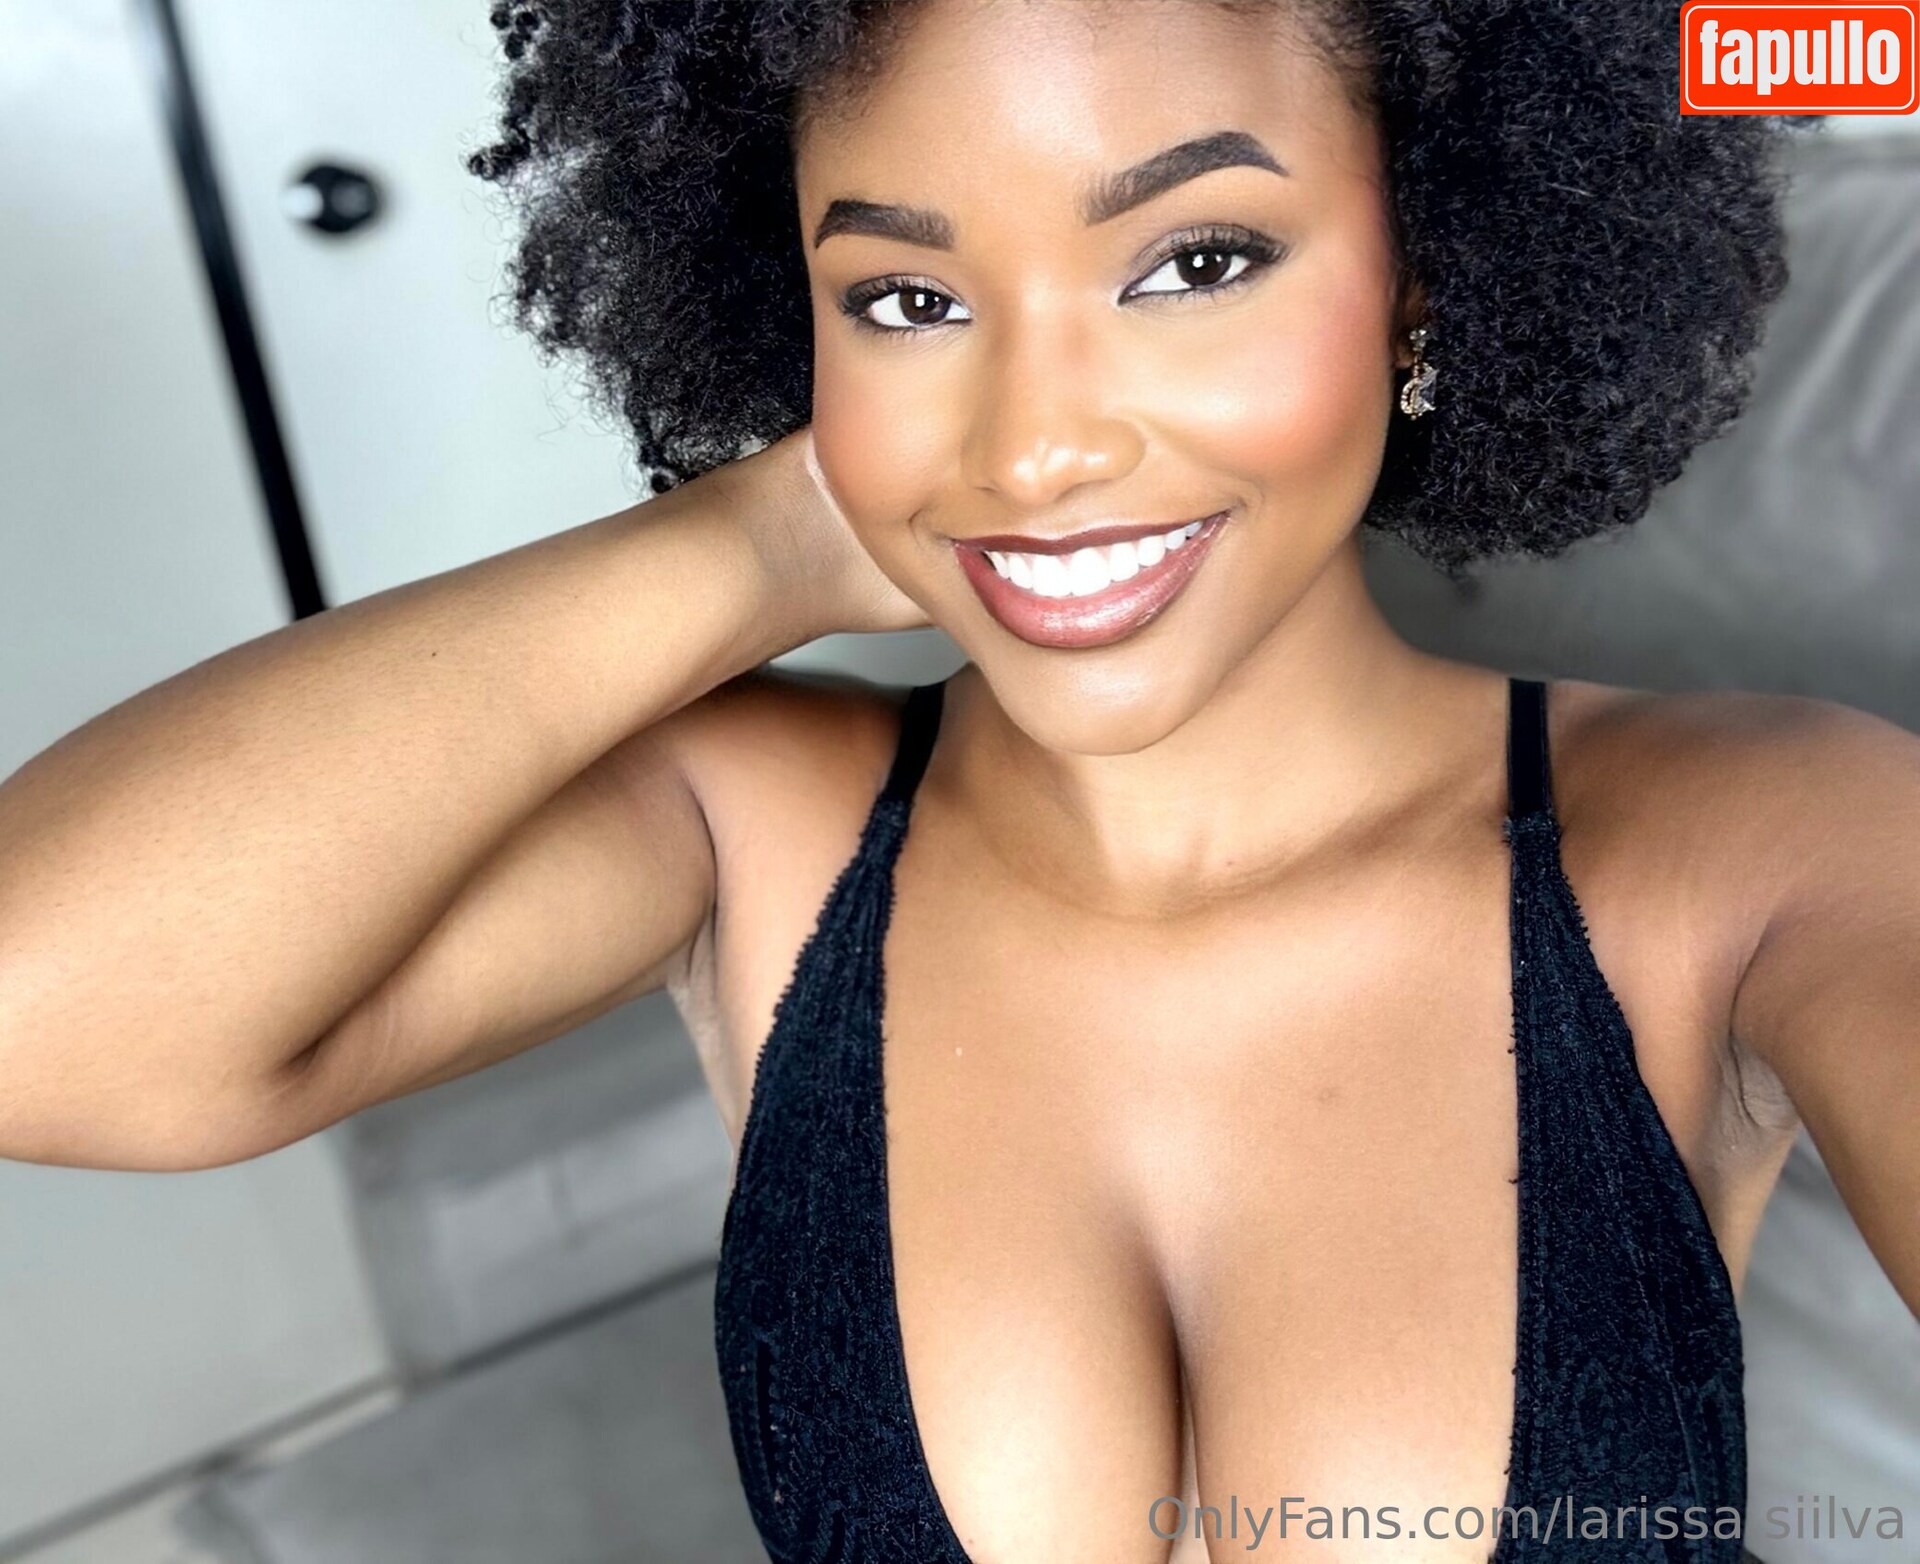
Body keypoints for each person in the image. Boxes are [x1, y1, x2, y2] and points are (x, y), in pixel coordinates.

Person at [1, 1, 1913, 1559]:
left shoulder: (1761, 845)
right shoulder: (756, 830)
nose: (1034, 445)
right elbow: (44, 1019)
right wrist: (769, 537)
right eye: (908, 301)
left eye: (1195, 261)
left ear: (1425, 280)